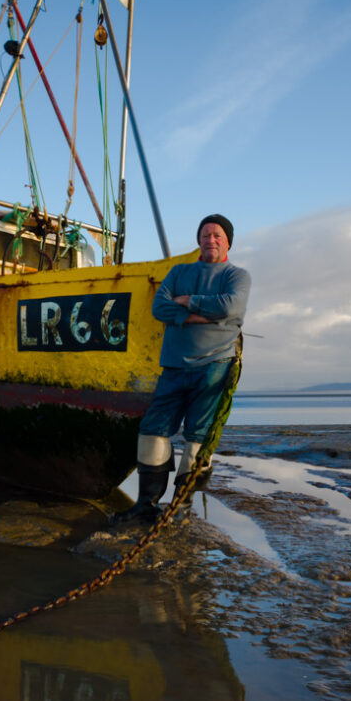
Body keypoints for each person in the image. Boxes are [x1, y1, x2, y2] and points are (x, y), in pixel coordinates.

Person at [112, 213, 251, 523]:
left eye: (217, 235)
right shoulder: (178, 272)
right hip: (174, 365)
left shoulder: (237, 276)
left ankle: (181, 506)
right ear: (198, 240)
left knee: (197, 435)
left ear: (228, 242)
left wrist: (187, 301)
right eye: (205, 235)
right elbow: (160, 307)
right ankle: (145, 504)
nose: (210, 240)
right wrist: (202, 315)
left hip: (215, 365)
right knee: (153, 429)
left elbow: (231, 306)